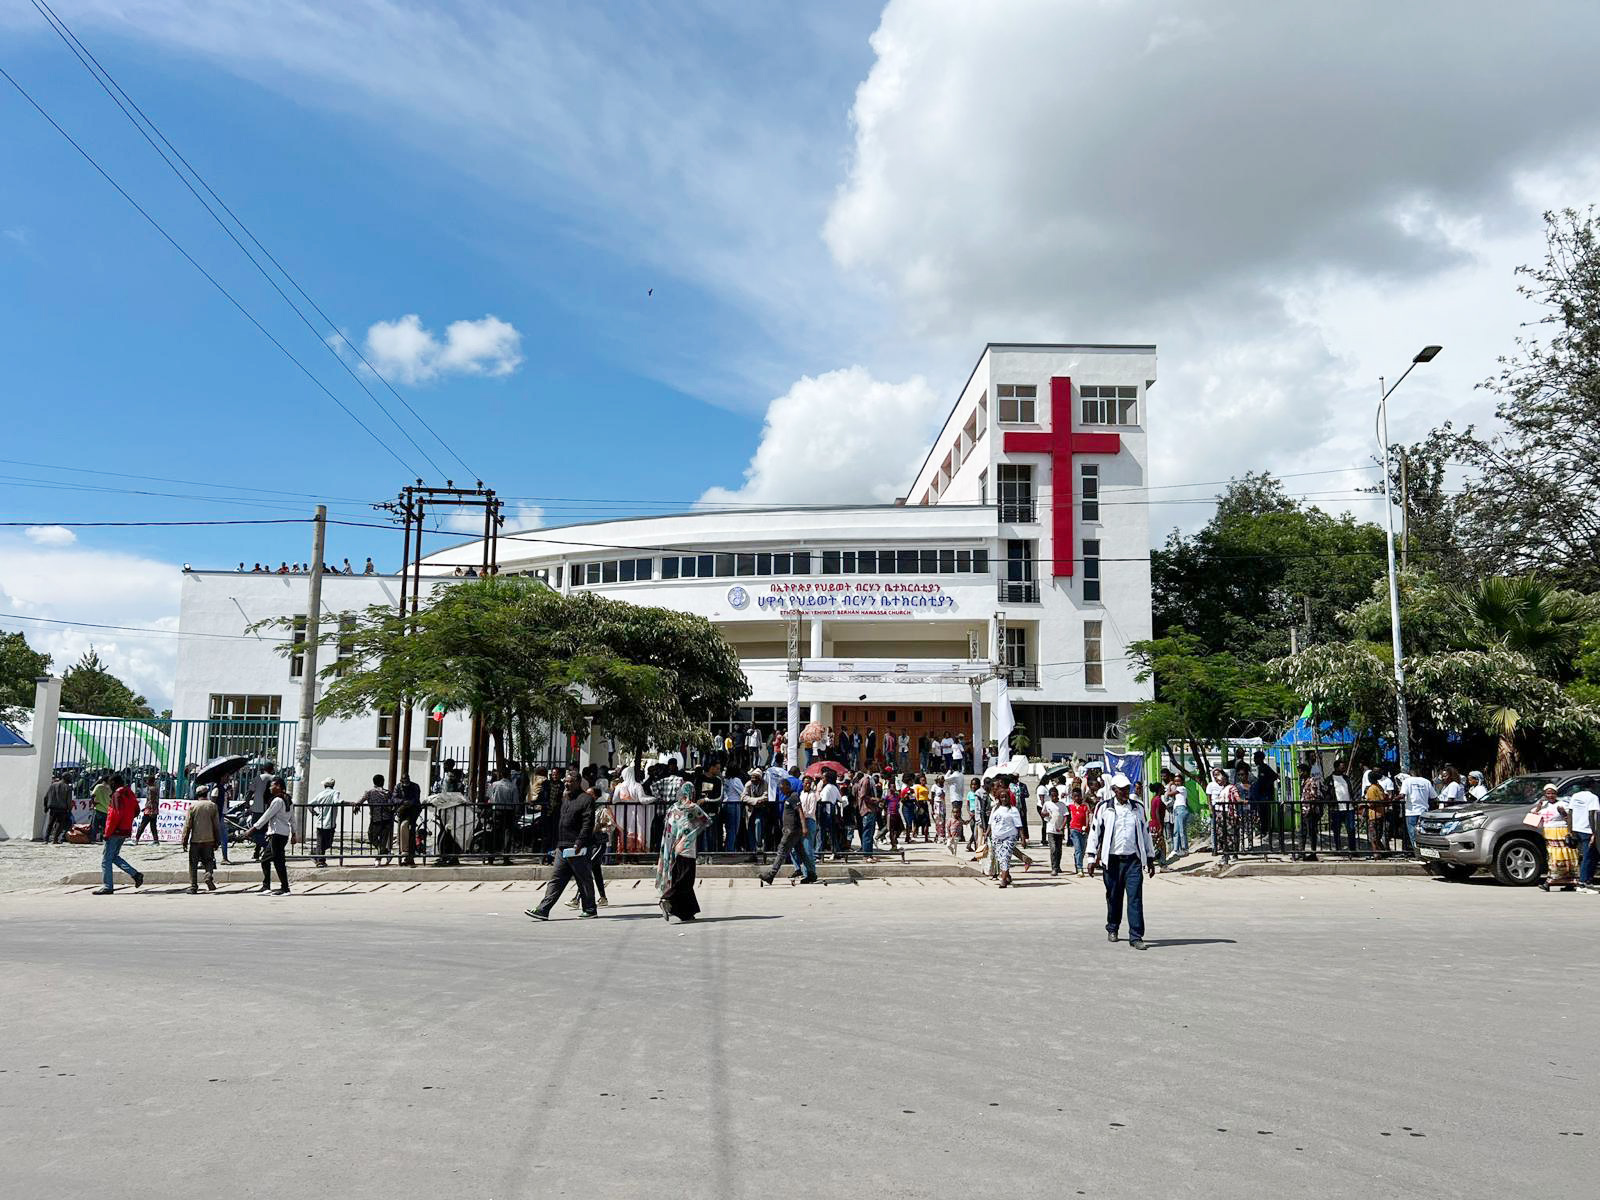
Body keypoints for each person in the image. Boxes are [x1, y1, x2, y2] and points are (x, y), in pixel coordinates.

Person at [1084, 773, 1156, 949]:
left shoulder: (1138, 808)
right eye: (1121, 789)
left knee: (1135, 898)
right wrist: (1091, 858)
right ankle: (1113, 927)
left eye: (1127, 789)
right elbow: (1095, 833)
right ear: (1114, 790)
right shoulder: (1104, 808)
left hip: (1133, 860)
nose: (1125, 792)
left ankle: (1136, 936)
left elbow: (1145, 834)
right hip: (1112, 861)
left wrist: (1150, 858)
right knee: (1114, 897)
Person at [526, 771, 599, 921]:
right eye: (565, 781)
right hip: (562, 847)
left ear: (578, 782)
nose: (566, 784)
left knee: (583, 879)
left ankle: (590, 909)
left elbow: (587, 823)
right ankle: (543, 910)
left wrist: (579, 842)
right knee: (556, 879)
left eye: (570, 781)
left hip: (577, 848)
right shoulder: (565, 798)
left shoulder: (586, 799)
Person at [654, 780, 711, 921]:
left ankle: (686, 913)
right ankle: (666, 898)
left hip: (672, 850)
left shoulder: (673, 808)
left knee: (680, 880)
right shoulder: (692, 807)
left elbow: (668, 828)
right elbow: (707, 821)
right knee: (685, 881)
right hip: (686, 848)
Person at [91, 774, 144, 894]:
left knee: (106, 860)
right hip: (125, 830)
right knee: (114, 856)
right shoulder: (129, 793)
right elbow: (136, 810)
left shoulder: (117, 795)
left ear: (114, 783)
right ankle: (135, 874)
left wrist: (107, 832)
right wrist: (127, 820)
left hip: (115, 830)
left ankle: (108, 886)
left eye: (110, 784)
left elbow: (114, 815)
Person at [760, 771, 815, 885]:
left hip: (792, 830)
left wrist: (804, 827)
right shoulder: (789, 797)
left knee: (782, 851)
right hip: (791, 830)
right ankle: (811, 874)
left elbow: (800, 812)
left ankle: (771, 875)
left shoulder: (794, 796)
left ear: (787, 787)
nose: (780, 790)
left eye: (782, 788)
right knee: (801, 853)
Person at [247, 778, 294, 894]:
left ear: (278, 786)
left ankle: (282, 887)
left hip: (277, 833)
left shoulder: (277, 800)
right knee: (271, 860)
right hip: (282, 834)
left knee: (273, 861)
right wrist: (294, 833)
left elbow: (267, 815)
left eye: (271, 785)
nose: (269, 788)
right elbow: (293, 818)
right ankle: (270, 886)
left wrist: (252, 829)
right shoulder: (288, 799)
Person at [1531, 785, 1579, 892]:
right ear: (1545, 794)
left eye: (1552, 793)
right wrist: (1539, 806)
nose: (1550, 796)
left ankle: (1553, 882)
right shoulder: (1543, 806)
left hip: (1561, 832)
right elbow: (1532, 818)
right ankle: (1559, 880)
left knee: (1565, 856)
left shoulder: (1562, 804)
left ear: (1556, 794)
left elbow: (1570, 819)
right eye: (1548, 793)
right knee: (1553, 858)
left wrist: (1564, 814)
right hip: (1549, 833)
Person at [181, 785, 221, 893]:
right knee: (208, 860)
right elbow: (216, 825)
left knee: (193, 863)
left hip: (195, 840)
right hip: (209, 839)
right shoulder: (212, 806)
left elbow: (187, 826)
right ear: (207, 793)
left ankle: (193, 886)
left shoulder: (192, 807)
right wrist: (217, 840)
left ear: (197, 794)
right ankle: (208, 875)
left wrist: (184, 840)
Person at [1564, 781, 1600, 890]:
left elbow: (1570, 812)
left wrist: (1570, 830)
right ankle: (1583, 881)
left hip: (1577, 829)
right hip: (1587, 830)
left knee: (1591, 856)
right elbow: (1592, 815)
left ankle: (1588, 879)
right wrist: (1594, 833)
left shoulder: (1575, 796)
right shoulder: (1593, 797)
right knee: (1588, 856)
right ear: (1592, 786)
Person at [989, 789, 1024, 887]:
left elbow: (1019, 825)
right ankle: (1007, 876)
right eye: (1002, 797)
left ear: (1009, 798)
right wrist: (987, 833)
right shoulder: (995, 809)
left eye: (1006, 797)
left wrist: (1023, 838)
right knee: (1001, 859)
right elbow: (991, 822)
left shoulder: (1013, 810)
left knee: (1005, 857)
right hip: (996, 838)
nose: (1004, 799)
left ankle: (1003, 880)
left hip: (1009, 837)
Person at [486, 766, 521, 865]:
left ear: (500, 775)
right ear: (509, 775)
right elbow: (516, 802)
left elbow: (489, 798)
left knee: (494, 834)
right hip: (508, 812)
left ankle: (491, 858)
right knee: (507, 834)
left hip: (496, 811)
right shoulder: (513, 786)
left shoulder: (494, 784)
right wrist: (516, 812)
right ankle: (505, 858)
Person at [1399, 769, 1437, 852]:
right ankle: (1425, 851)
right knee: (1424, 833)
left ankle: (1417, 851)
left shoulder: (1407, 781)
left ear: (1409, 774)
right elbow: (1434, 797)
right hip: (1424, 811)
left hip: (1411, 811)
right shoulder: (1426, 781)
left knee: (1413, 834)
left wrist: (1394, 799)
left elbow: (1402, 795)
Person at [310, 777, 341, 867]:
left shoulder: (320, 794)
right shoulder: (335, 792)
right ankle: (320, 861)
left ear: (324, 785)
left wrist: (314, 813)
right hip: (330, 822)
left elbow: (310, 805)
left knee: (322, 843)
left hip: (320, 822)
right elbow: (336, 801)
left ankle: (314, 853)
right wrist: (348, 802)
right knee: (326, 843)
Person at [395, 773, 423, 867]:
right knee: (402, 832)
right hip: (402, 813)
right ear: (401, 781)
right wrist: (403, 802)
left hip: (412, 812)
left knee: (410, 833)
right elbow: (394, 798)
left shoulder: (415, 786)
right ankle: (405, 854)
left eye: (408, 780)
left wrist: (408, 803)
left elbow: (416, 799)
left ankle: (408, 855)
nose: (406, 782)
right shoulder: (398, 787)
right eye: (404, 781)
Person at [1327, 760, 1355, 853]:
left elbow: (1350, 791)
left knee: (1351, 829)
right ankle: (1338, 849)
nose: (1344, 768)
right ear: (1336, 767)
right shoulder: (1330, 779)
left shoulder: (1346, 778)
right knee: (1337, 831)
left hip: (1349, 808)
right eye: (1342, 767)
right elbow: (1327, 793)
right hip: (1336, 809)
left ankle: (1353, 850)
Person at [1042, 785, 1069, 875]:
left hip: (1059, 829)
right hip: (1050, 829)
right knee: (1053, 848)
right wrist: (1045, 814)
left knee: (1058, 849)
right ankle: (1054, 868)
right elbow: (1043, 813)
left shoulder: (1062, 805)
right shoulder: (1047, 804)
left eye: (1055, 795)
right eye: (1052, 796)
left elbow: (1066, 816)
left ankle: (1058, 865)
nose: (1054, 797)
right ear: (1049, 796)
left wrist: (1062, 826)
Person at [1363, 769, 1389, 858]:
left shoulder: (1371, 789)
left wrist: (1366, 804)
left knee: (1373, 837)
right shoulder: (1379, 787)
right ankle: (1383, 852)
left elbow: (1371, 803)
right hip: (1381, 813)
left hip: (1373, 814)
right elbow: (1385, 798)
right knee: (1377, 836)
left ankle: (1376, 854)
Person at [853, 770, 879, 862]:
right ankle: (866, 855)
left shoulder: (868, 780)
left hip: (870, 809)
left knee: (870, 833)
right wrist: (874, 799)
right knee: (867, 833)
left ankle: (870, 855)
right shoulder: (866, 780)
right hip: (867, 809)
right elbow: (863, 795)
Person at [1067, 784, 1091, 875]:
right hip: (1074, 829)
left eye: (1078, 796)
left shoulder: (1085, 806)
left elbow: (1087, 816)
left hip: (1083, 830)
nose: (1077, 798)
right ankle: (1079, 867)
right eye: (1075, 796)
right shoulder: (1070, 807)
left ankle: (1077, 862)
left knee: (1083, 849)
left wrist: (1087, 826)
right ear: (1072, 797)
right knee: (1078, 849)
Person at [43, 772, 72, 843]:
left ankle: (46, 839)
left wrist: (45, 807)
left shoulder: (53, 785)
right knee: (60, 824)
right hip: (62, 809)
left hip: (52, 807)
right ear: (66, 778)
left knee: (50, 824)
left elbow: (46, 797)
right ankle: (55, 839)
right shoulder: (67, 787)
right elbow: (69, 800)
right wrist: (69, 809)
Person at [1165, 771, 1189, 856]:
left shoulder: (1181, 788)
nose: (1176, 783)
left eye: (1178, 781)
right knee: (1176, 831)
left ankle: (1185, 848)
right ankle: (1176, 849)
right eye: (1175, 781)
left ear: (1182, 781)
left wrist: (1170, 785)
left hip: (1181, 809)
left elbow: (1169, 794)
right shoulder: (1179, 788)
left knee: (1181, 830)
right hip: (1177, 810)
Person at [134, 774, 161, 844]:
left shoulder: (151, 789)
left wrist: (150, 809)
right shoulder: (155, 788)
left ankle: (136, 840)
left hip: (150, 811)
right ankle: (156, 840)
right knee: (153, 826)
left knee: (142, 825)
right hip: (154, 810)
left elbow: (151, 800)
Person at [89, 775, 111, 843]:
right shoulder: (110, 788)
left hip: (98, 808)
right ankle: (102, 839)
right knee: (104, 826)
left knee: (95, 825)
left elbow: (92, 795)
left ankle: (93, 839)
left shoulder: (98, 786)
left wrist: (93, 803)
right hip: (106, 809)